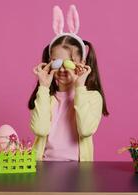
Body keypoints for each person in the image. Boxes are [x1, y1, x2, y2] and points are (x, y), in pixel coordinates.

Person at [28, 5, 109, 161]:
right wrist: (43, 87)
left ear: (82, 63)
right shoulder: (45, 96)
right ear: (49, 63)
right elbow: (40, 130)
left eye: (70, 62)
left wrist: (80, 87)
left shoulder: (93, 97)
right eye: (57, 62)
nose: (63, 69)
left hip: (78, 169)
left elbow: (85, 130)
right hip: (44, 166)